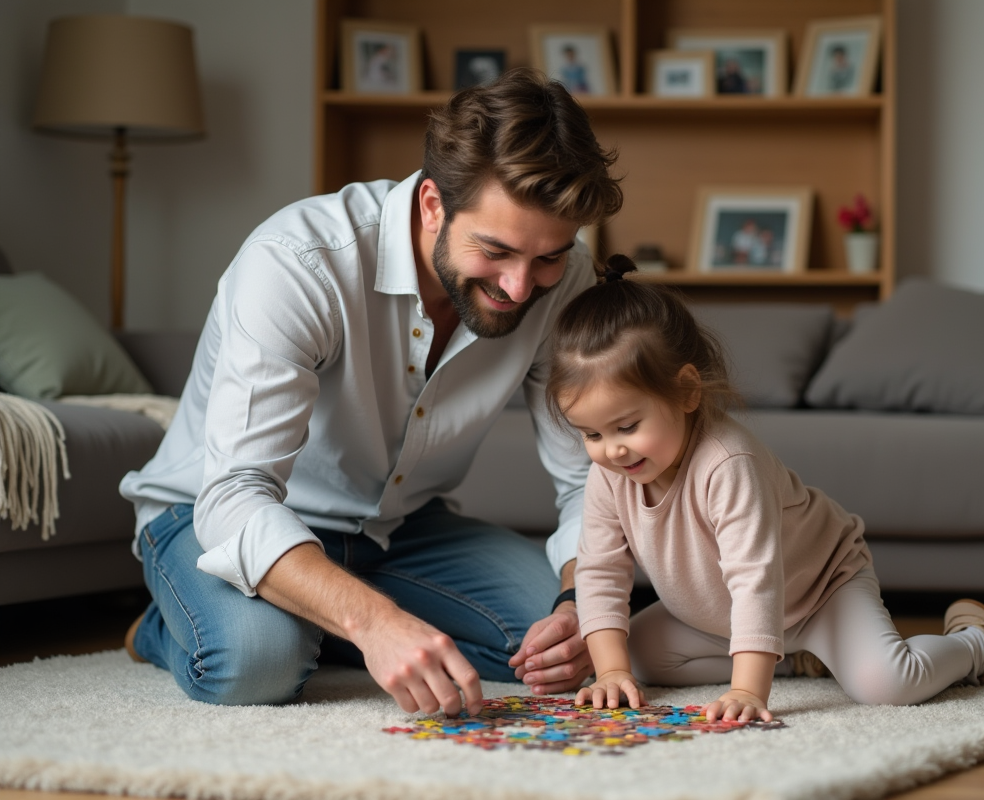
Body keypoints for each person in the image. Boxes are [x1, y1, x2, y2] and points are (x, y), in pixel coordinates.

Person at [118, 68, 624, 717]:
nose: (521, 288)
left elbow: (589, 478)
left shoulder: (568, 277)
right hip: (213, 512)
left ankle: (321, 620)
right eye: (494, 250)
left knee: (563, 649)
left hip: (400, 528)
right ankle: (173, 625)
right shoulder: (298, 261)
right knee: (255, 664)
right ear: (433, 204)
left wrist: (581, 604)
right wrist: (376, 624)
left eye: (548, 257)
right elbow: (235, 495)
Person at [547, 256, 984, 723]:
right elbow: (600, 570)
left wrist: (750, 690)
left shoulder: (727, 462)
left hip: (819, 591)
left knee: (889, 683)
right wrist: (612, 671)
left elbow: (755, 579)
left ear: (685, 391)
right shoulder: (609, 476)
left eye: (627, 426)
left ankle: (976, 644)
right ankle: (797, 656)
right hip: (714, 618)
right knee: (627, 655)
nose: (611, 450)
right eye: (591, 434)